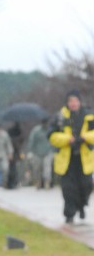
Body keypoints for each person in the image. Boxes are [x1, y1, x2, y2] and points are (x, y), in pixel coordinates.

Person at [48, 89, 94, 224]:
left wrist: (85, 137)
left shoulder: (90, 116)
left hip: (85, 159)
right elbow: (51, 136)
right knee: (68, 188)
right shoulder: (60, 117)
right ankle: (69, 213)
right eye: (70, 101)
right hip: (66, 159)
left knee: (86, 186)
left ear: (80, 102)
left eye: (75, 100)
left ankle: (81, 205)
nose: (73, 103)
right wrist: (67, 139)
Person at [27, 118, 54, 189]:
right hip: (37, 153)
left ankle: (47, 182)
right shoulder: (36, 131)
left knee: (47, 168)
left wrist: (53, 150)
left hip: (48, 152)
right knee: (37, 169)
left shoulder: (50, 130)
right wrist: (30, 151)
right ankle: (38, 182)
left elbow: (54, 140)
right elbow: (31, 141)